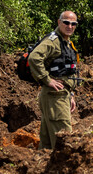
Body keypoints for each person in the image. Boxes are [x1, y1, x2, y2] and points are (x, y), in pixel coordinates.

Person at [28, 11, 81, 150]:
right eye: (66, 22)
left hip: (59, 95)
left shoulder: (65, 42)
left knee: (47, 145)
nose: (70, 26)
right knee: (65, 142)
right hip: (54, 96)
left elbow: (67, 73)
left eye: (73, 24)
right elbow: (34, 57)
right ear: (59, 22)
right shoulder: (53, 41)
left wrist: (71, 94)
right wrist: (47, 79)